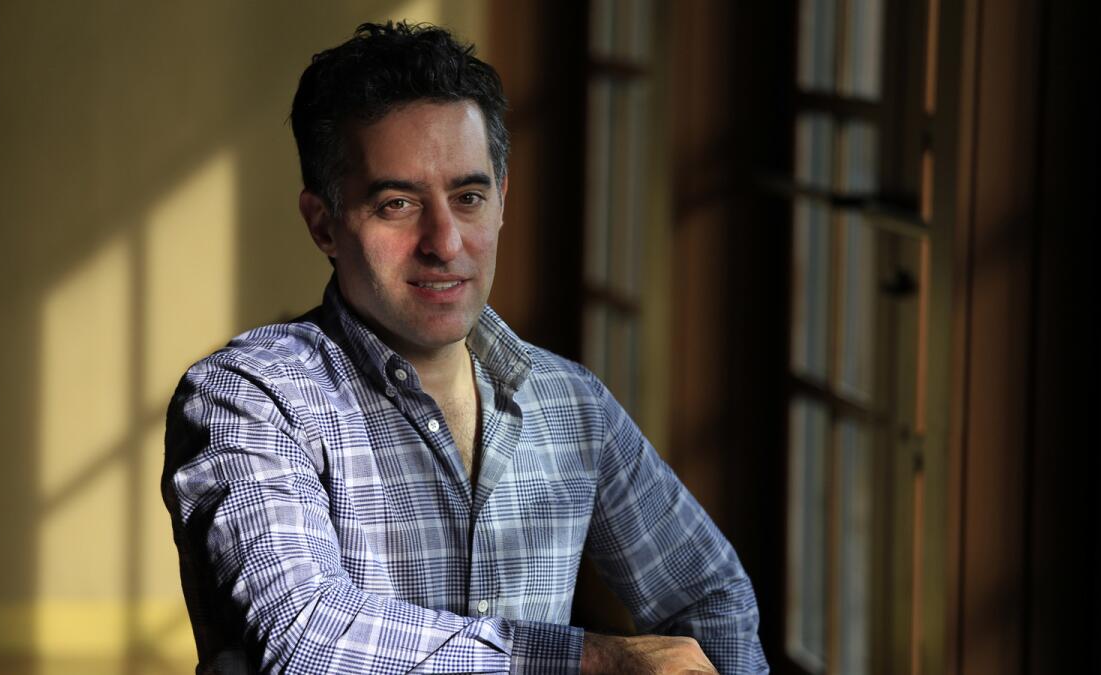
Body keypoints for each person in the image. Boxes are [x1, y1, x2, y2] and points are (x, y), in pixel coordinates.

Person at [163, 21, 769, 674]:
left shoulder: (570, 403)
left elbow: (711, 591)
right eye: (397, 203)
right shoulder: (249, 397)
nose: (445, 242)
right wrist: (592, 660)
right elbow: (309, 638)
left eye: (469, 196)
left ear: (502, 201)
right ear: (323, 224)